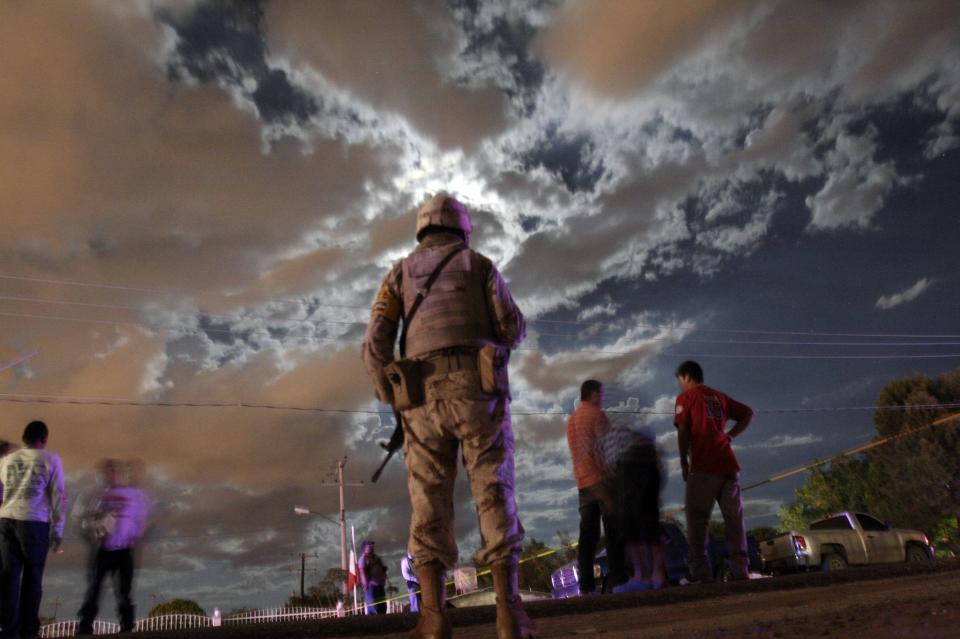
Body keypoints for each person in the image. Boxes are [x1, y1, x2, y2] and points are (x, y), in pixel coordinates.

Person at [362, 194, 535, 638]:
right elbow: (512, 328)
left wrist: (391, 394)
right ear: (463, 229)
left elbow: (375, 343)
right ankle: (509, 613)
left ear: (422, 231)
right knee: (494, 488)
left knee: (428, 500)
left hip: (420, 400)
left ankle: (435, 618)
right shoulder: (479, 266)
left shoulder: (399, 273)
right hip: (479, 394)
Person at [674, 360, 754, 583]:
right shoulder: (720, 397)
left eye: (680, 381)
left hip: (703, 465)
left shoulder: (686, 398)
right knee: (734, 520)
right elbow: (748, 413)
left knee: (697, 519)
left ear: (686, 377)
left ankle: (700, 572)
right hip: (728, 464)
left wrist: (683, 461)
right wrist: (729, 436)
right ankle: (741, 570)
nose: (680, 386)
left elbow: (683, 429)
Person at [0, 421, 66, 638]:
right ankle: (28, 630)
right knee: (33, 577)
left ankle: (8, 630)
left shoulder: (7, 460)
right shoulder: (51, 459)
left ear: (24, 438)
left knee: (9, 579)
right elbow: (58, 497)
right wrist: (58, 531)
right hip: (35, 523)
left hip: (6, 520)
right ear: (44, 438)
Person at [76, 459, 152, 635]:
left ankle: (127, 624)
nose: (112, 476)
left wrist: (136, 535)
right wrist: (93, 530)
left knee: (124, 590)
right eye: (108, 472)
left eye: (114, 472)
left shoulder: (132, 494)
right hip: (103, 548)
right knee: (95, 588)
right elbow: (85, 518)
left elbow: (142, 518)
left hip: (125, 549)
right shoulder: (99, 495)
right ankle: (85, 625)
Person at [566, 380, 624, 594]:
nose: (603, 399)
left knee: (587, 538)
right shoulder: (597, 415)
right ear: (593, 394)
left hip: (583, 484)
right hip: (602, 480)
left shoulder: (571, 420)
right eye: (601, 394)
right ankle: (619, 580)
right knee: (613, 532)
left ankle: (587, 586)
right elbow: (605, 449)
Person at [597, 418, 667, 592]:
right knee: (649, 527)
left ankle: (641, 577)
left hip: (628, 467)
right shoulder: (627, 432)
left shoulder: (602, 440)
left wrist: (613, 493)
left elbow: (607, 468)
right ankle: (658, 575)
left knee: (631, 529)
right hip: (649, 463)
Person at [358, 540, 387, 615]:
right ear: (365, 548)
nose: (372, 547)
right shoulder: (363, 558)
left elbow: (382, 568)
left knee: (382, 605)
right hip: (370, 585)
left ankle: (383, 618)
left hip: (380, 584)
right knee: (372, 605)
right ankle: (374, 620)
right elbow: (362, 571)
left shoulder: (377, 558)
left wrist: (384, 577)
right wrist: (365, 583)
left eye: (372, 546)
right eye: (369, 546)